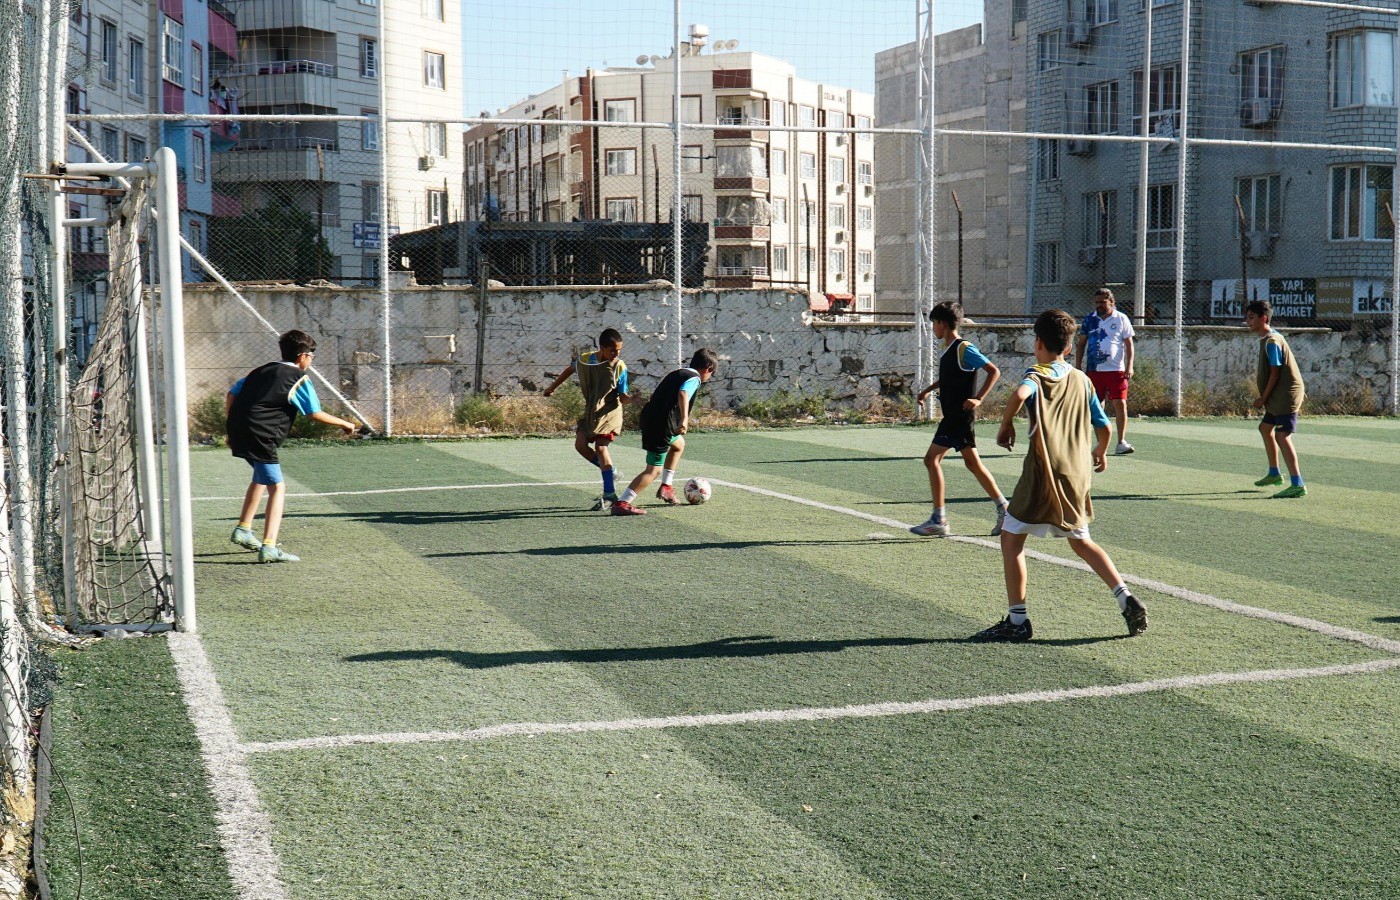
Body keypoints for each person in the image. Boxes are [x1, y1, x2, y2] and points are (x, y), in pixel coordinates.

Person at [974, 309, 1148, 642]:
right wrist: (1100, 451)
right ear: (1069, 347)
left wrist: (1006, 423)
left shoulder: (1037, 373)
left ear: (1037, 342)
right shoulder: (1082, 380)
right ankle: (1124, 596)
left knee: (1011, 540)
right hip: (1077, 471)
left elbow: (1020, 393)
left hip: (1043, 471)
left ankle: (1017, 621)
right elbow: (1104, 426)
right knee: (1081, 541)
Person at [227, 330, 360, 563]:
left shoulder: (261, 370)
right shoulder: (298, 377)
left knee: (261, 477)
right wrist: (345, 424)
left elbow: (232, 393)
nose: (311, 361)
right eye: (312, 356)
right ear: (302, 356)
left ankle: (244, 529)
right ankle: (269, 546)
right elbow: (314, 413)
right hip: (261, 435)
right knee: (277, 487)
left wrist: (230, 427)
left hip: (240, 430)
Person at [909, 301, 1010, 537]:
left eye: (933, 323)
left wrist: (979, 398)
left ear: (942, 323)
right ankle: (1004, 509)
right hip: (954, 417)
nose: (932, 328)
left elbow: (993, 371)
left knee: (931, 459)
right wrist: (928, 389)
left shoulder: (964, 347)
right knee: (972, 464)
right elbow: (951, 378)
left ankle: (939, 519)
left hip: (958, 418)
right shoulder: (949, 348)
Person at [611, 349, 718, 516]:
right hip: (660, 425)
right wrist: (684, 419)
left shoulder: (677, 373)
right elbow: (683, 393)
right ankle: (622, 503)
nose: (709, 378)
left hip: (653, 419)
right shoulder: (694, 378)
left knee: (678, 445)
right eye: (712, 373)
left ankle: (666, 487)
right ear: (708, 368)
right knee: (653, 470)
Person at [543, 328, 632, 509]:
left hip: (610, 411)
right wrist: (552, 388)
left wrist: (633, 400)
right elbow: (570, 369)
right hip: (592, 410)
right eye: (613, 350)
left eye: (619, 350)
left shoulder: (619, 366)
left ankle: (609, 494)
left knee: (601, 448)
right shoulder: (586, 360)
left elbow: (622, 395)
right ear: (602, 348)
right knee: (580, 446)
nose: (616, 354)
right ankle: (611, 472)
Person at [1245, 299, 1307, 498]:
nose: (1248, 322)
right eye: (1247, 317)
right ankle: (1274, 473)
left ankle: (1298, 484)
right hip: (1278, 396)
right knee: (1265, 428)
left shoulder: (1272, 341)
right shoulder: (1269, 338)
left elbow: (1275, 372)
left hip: (1285, 397)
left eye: (1251, 317)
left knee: (1282, 436)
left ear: (1264, 318)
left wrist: (1263, 398)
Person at [1074, 287, 1136, 455]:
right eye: (1096, 302)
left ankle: (1121, 441)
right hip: (1094, 370)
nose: (1099, 305)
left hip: (1117, 370)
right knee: (1096, 406)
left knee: (1120, 403)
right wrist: (1078, 367)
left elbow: (1129, 344)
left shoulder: (1121, 318)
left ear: (1111, 301)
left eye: (1102, 302)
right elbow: (1081, 344)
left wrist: (1129, 366)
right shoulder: (1089, 319)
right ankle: (1101, 443)